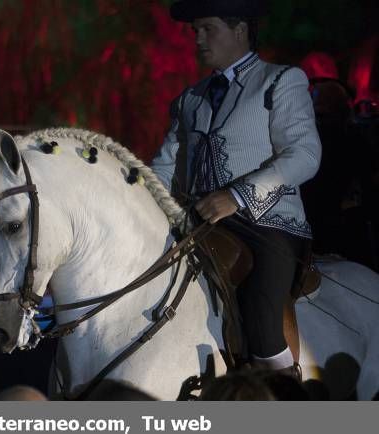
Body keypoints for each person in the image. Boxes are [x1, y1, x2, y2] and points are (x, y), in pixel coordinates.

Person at [151, 0, 321, 376]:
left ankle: (282, 394)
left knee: (261, 317)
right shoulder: (190, 99)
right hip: (198, 223)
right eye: (194, 30)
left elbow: (305, 154)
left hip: (267, 224)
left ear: (240, 30)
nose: (197, 39)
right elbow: (164, 167)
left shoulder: (281, 80)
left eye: (206, 28)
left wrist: (238, 196)